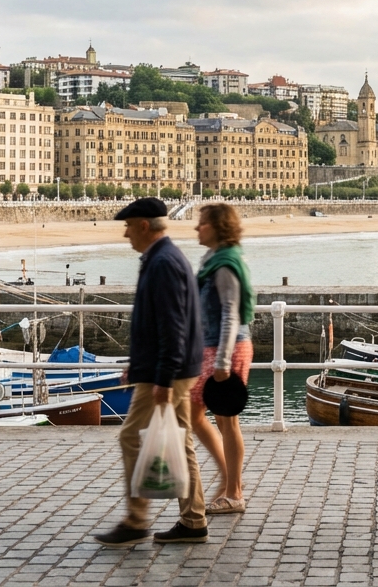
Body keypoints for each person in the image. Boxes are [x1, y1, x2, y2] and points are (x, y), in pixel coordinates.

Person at [92, 197, 209, 548]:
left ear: (144, 226)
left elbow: (173, 327)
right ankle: (191, 519)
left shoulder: (162, 264)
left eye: (129, 226)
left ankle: (138, 518)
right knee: (182, 440)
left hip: (168, 372)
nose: (126, 234)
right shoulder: (162, 259)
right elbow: (159, 322)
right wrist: (139, 363)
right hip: (164, 367)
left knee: (130, 435)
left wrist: (161, 377)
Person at [190, 203, 254, 514]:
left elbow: (231, 313)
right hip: (213, 347)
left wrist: (222, 364)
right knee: (212, 419)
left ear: (217, 227)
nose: (197, 228)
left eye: (202, 223)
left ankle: (233, 491)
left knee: (224, 420)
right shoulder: (213, 259)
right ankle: (229, 485)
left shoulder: (226, 263)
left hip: (226, 349)